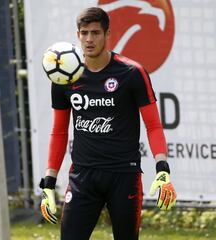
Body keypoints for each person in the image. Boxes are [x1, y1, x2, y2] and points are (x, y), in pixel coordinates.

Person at [39, 7, 176, 240]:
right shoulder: (64, 76)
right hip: (83, 176)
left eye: (95, 33)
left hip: (124, 174)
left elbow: (153, 125)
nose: (89, 39)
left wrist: (162, 169)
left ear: (107, 34)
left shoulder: (132, 73)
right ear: (78, 35)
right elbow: (59, 131)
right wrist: (49, 182)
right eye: (84, 33)